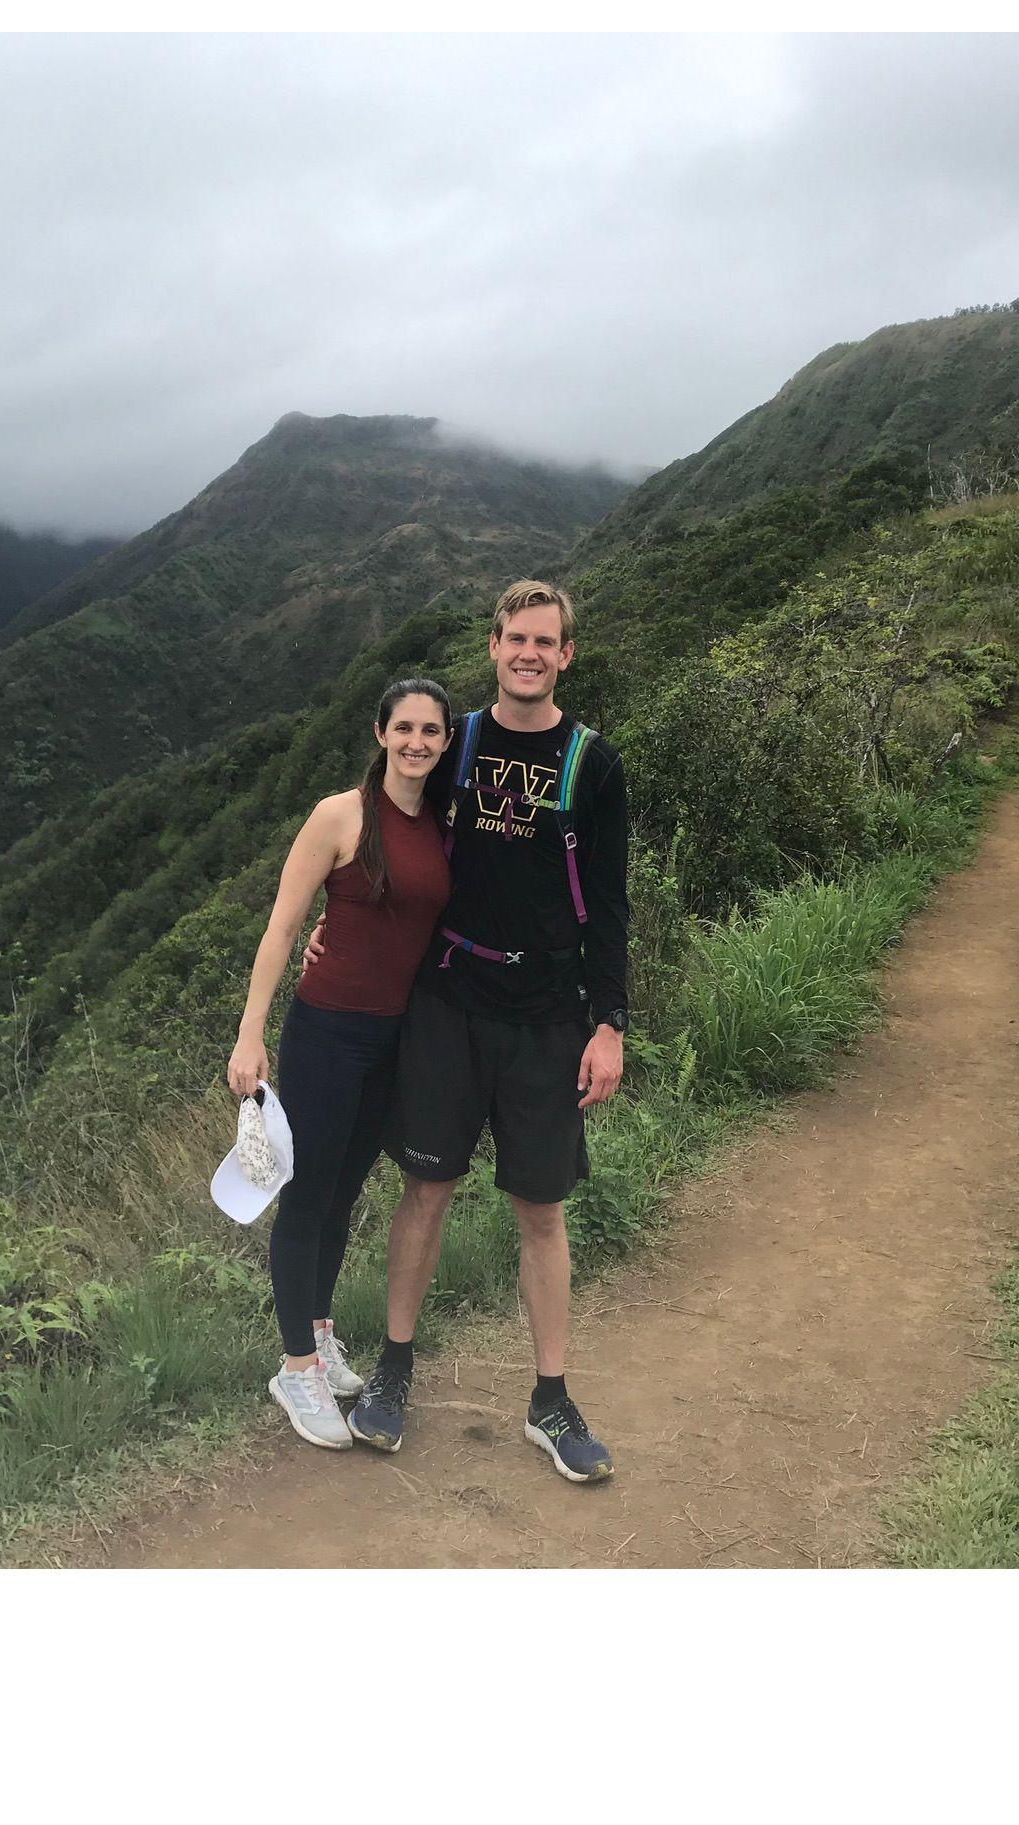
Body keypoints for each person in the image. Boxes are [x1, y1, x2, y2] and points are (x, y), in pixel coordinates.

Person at [335, 579, 630, 1482]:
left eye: (545, 641)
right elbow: (381, 832)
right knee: (425, 1188)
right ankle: (393, 1370)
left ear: (565, 654)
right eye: (515, 638)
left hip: (546, 1014)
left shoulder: (592, 763)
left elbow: (609, 903)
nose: (528, 653)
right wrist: (336, 924)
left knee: (540, 1209)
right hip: (449, 1001)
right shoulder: (451, 740)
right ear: (493, 645)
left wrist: (609, 1023)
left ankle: (551, 1399)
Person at [227, 677, 454, 1449]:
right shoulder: (340, 815)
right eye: (404, 727)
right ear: (380, 733)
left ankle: (318, 1333)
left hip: (392, 1037)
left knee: (344, 1191)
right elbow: (283, 926)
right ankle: (294, 1367)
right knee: (306, 1195)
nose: (416, 741)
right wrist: (249, 1033)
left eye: (430, 730)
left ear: (444, 741)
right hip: (326, 1032)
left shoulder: (441, 823)